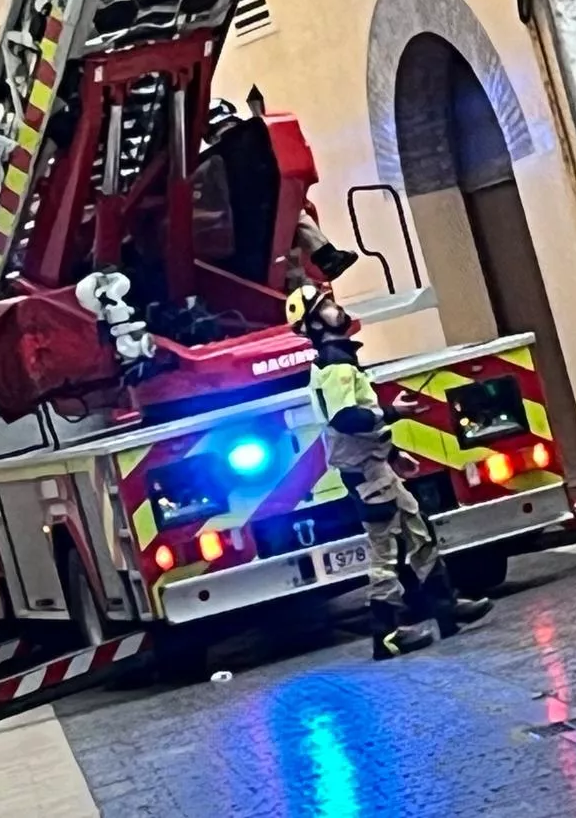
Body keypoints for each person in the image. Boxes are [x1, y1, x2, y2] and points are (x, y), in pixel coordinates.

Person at [286, 283, 493, 660]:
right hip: (367, 475)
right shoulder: (334, 364)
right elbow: (346, 419)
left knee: (418, 531)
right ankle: (386, 635)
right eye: (326, 305)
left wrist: (393, 453)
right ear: (315, 323)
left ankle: (446, 609)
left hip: (376, 467)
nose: (336, 307)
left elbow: (356, 423)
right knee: (385, 552)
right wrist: (394, 412)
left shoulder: (339, 360)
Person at [202, 99, 359, 284]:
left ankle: (321, 263)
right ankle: (324, 258)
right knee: (292, 219)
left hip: (245, 224)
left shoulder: (216, 158)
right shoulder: (249, 142)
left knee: (287, 236)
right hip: (255, 218)